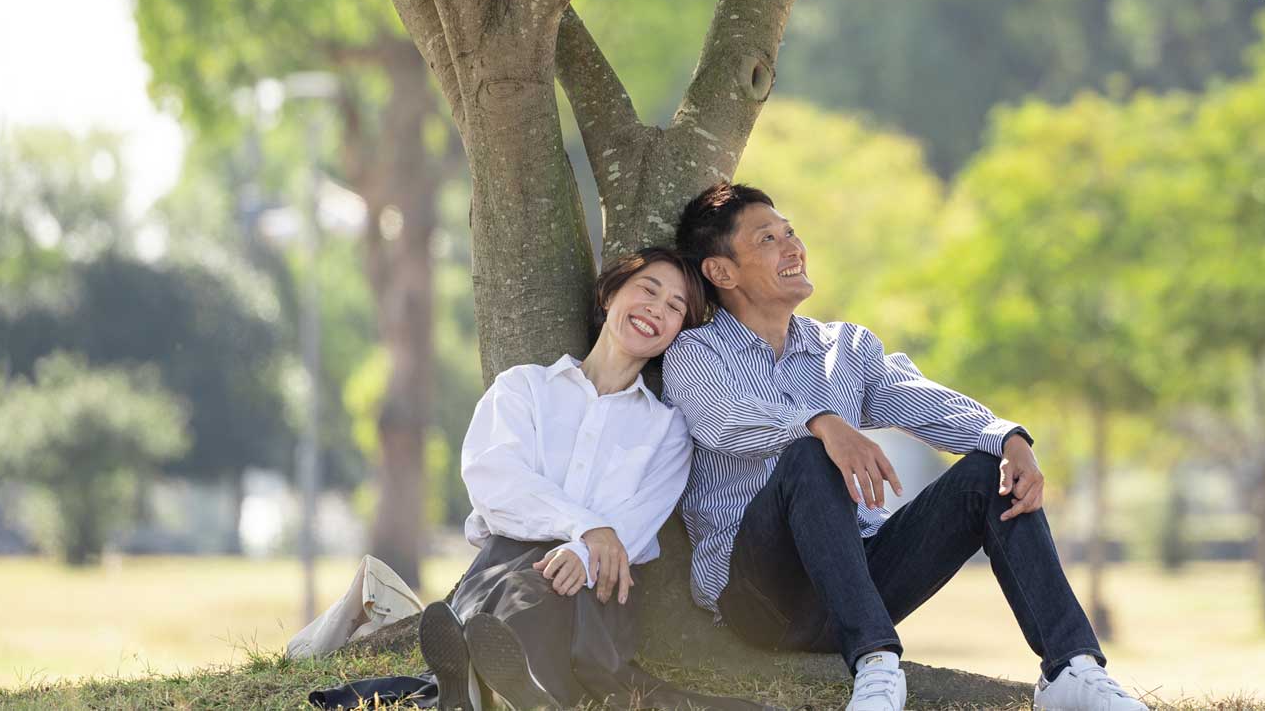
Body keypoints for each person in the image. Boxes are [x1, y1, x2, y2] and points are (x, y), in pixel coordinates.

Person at [665, 183, 1151, 711]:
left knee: (990, 472)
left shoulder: (844, 349)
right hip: (763, 599)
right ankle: (877, 669)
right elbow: (726, 420)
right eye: (767, 239)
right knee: (807, 454)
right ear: (722, 272)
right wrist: (824, 424)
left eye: (791, 232)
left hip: (862, 582)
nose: (792, 247)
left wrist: (1007, 436)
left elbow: (921, 401)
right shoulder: (696, 351)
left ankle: (1071, 671)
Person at [411, 247, 759, 711]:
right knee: (518, 589)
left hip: (598, 584)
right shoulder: (523, 388)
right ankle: (504, 687)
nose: (658, 308)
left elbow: (636, 523)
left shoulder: (668, 429)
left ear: (679, 332)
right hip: (503, 563)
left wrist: (581, 549)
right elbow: (496, 480)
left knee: (551, 590)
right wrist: (587, 528)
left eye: (676, 307)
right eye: (648, 290)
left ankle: (478, 686)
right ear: (609, 295)